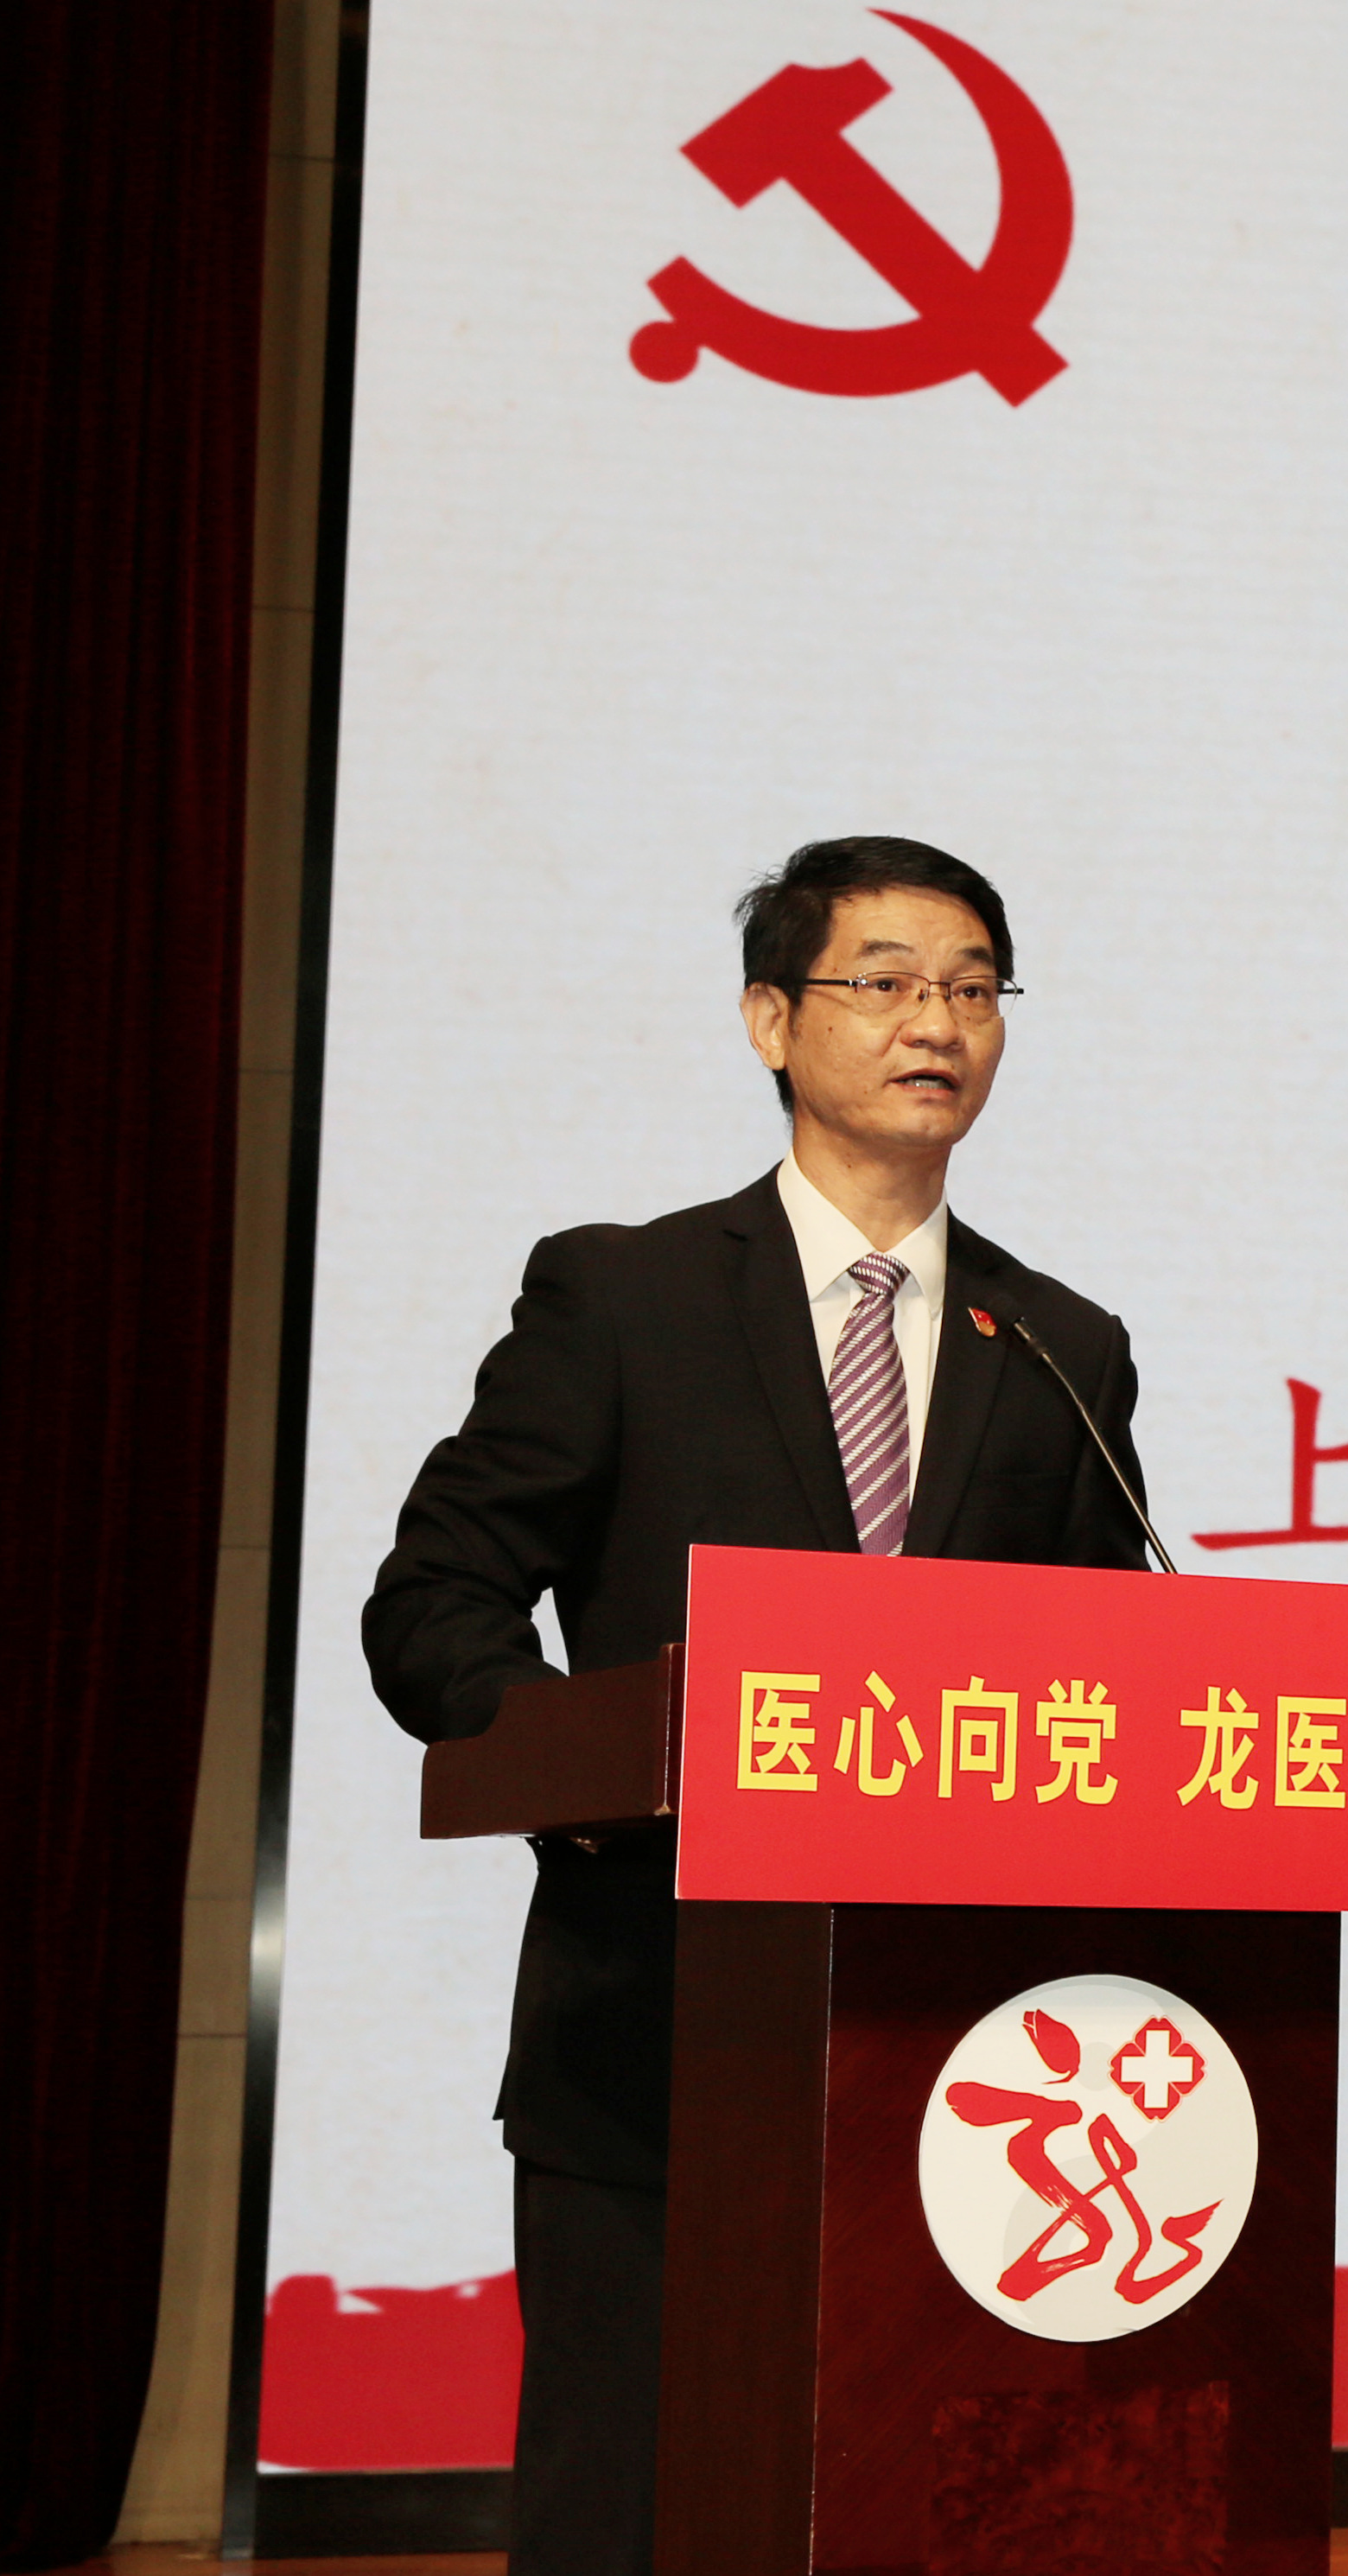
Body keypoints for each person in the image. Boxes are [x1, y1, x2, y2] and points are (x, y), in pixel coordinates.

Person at [365, 836, 1157, 2576]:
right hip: (658, 2036)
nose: (935, 1022)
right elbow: (432, 1602)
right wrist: (589, 1766)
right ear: (770, 1021)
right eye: (885, 981)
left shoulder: (1059, 1344)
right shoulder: (622, 1297)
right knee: (631, 2515)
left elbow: (1119, 1677)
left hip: (960, 2069)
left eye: (973, 988)